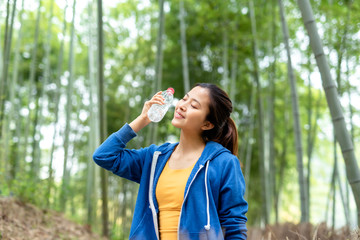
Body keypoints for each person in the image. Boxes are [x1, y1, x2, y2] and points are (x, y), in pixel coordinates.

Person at [93, 83, 248, 240]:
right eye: (184, 99)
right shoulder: (154, 158)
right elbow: (104, 156)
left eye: (194, 106)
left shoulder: (224, 163)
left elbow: (234, 226)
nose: (182, 106)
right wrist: (143, 119)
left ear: (207, 124)